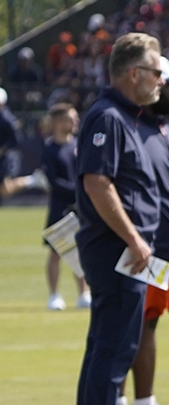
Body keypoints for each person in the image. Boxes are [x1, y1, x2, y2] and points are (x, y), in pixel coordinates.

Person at [68, 32, 164, 405]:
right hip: (116, 250)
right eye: (156, 71)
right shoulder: (108, 117)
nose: (161, 80)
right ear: (134, 73)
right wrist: (134, 238)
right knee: (114, 343)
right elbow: (97, 182)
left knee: (112, 342)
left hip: (123, 250)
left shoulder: (124, 116)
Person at [116, 56, 169, 405]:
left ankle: (144, 403)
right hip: (143, 249)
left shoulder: (165, 130)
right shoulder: (129, 128)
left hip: (167, 253)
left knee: (146, 325)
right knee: (128, 326)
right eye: (167, 83)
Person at [40, 103, 89, 311]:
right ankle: (54, 295)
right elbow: (53, 181)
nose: (76, 122)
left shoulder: (78, 145)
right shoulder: (50, 149)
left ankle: (83, 293)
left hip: (80, 207)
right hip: (60, 207)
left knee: (81, 251)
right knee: (56, 252)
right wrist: (78, 190)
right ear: (59, 122)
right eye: (72, 118)